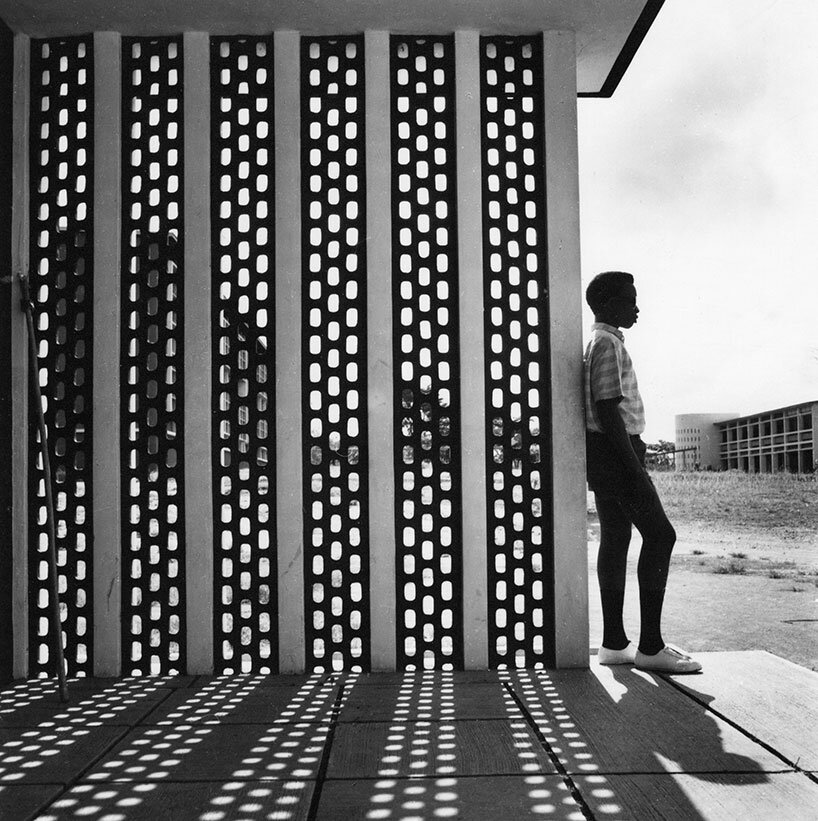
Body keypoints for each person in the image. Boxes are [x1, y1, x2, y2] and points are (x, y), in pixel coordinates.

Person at [583, 271, 701, 673]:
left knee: (616, 536)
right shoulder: (607, 344)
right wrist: (633, 466)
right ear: (607, 302)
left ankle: (614, 643)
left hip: (606, 453)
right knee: (661, 535)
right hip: (617, 453)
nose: (637, 307)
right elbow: (606, 409)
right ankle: (651, 645)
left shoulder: (603, 341)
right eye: (630, 299)